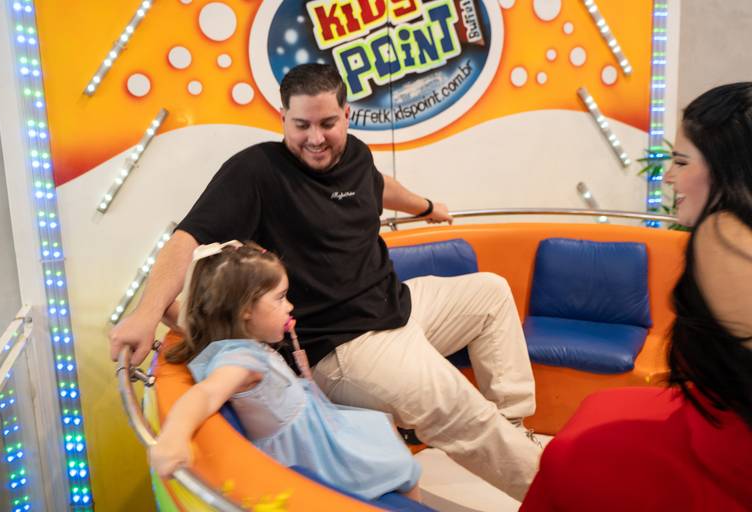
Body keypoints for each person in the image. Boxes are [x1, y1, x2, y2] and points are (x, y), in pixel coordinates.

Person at [111, 63, 540, 499]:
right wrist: (146, 315)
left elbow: (378, 185)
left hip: (397, 304)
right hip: (345, 346)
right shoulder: (255, 172)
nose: (315, 138)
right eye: (301, 125)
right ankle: (556, 492)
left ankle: (513, 425)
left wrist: (426, 207)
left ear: (346, 115)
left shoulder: (355, 155)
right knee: (461, 410)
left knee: (490, 292)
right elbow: (186, 239)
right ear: (283, 118)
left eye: (327, 124)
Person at [521, 82, 752, 511]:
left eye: (681, 162)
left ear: (730, 168)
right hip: (714, 434)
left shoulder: (723, 238)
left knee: (567, 458)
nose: (668, 176)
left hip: (723, 458)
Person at [149, 241, 422, 501]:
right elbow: (206, 394)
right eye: (280, 298)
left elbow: (183, 318)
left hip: (317, 425)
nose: (290, 306)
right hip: (308, 450)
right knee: (401, 466)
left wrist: (160, 308)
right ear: (244, 310)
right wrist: (174, 437)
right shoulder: (240, 360)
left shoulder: (229, 339)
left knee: (383, 430)